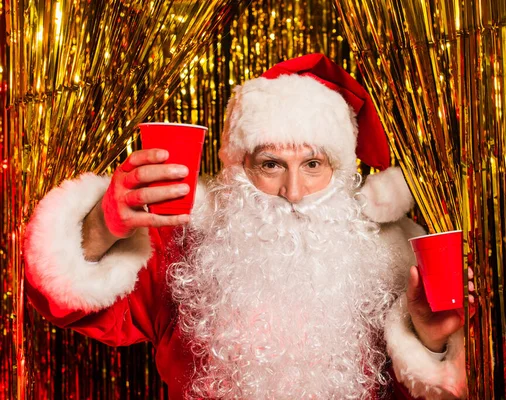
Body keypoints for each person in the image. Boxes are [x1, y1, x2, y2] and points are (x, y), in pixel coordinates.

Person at [24, 54, 468, 399]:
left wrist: (428, 345)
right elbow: (68, 304)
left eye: (313, 164)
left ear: (343, 170)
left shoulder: (394, 257)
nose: (293, 192)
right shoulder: (185, 249)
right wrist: (103, 223)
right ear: (238, 169)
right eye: (271, 164)